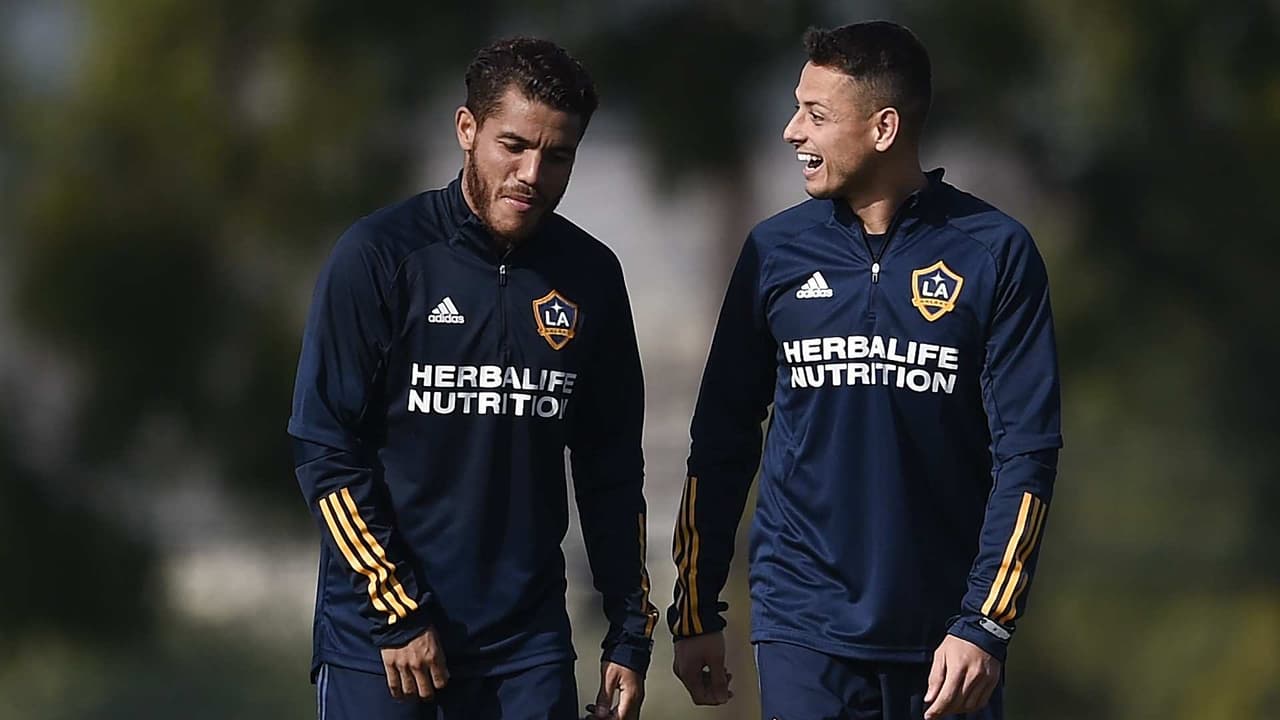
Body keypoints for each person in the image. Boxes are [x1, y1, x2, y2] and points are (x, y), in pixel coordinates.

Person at [669, 21, 1062, 720]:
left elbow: (1027, 455)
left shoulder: (995, 252)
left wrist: (986, 623)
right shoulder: (773, 252)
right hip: (800, 626)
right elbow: (721, 440)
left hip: (946, 639)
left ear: (884, 128)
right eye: (796, 108)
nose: (792, 131)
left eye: (816, 115)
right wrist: (696, 608)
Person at [288, 36, 657, 720]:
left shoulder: (592, 277)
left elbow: (610, 469)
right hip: (383, 643)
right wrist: (396, 610)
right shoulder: (380, 256)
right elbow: (325, 447)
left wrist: (629, 631)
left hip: (525, 650)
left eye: (558, 156)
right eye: (513, 146)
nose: (532, 173)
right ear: (467, 129)